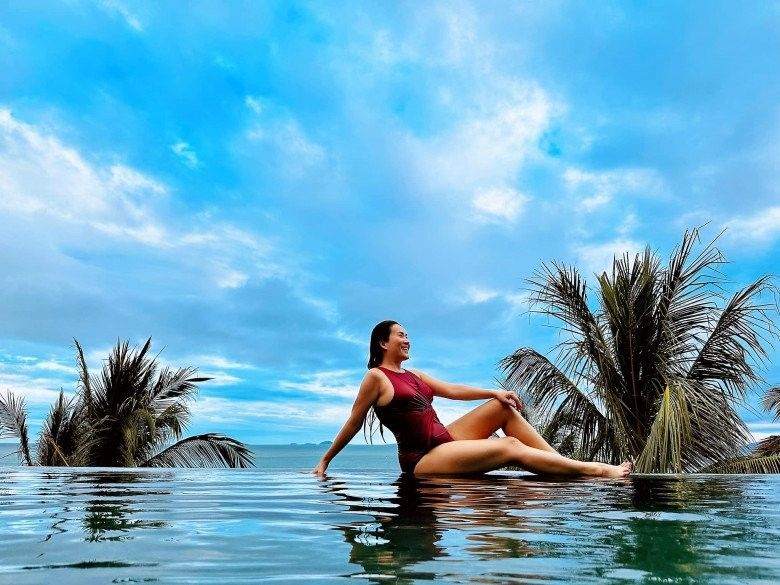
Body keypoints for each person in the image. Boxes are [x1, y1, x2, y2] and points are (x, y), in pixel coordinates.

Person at [313, 320, 632, 478]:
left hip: (443, 439)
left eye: (408, 335)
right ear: (383, 343)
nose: (407, 340)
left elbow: (453, 390)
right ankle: (595, 471)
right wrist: (325, 461)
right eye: (401, 335)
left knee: (501, 408)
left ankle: (563, 467)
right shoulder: (376, 378)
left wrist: (493, 392)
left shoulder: (415, 375)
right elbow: (354, 422)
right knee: (510, 446)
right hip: (421, 458)